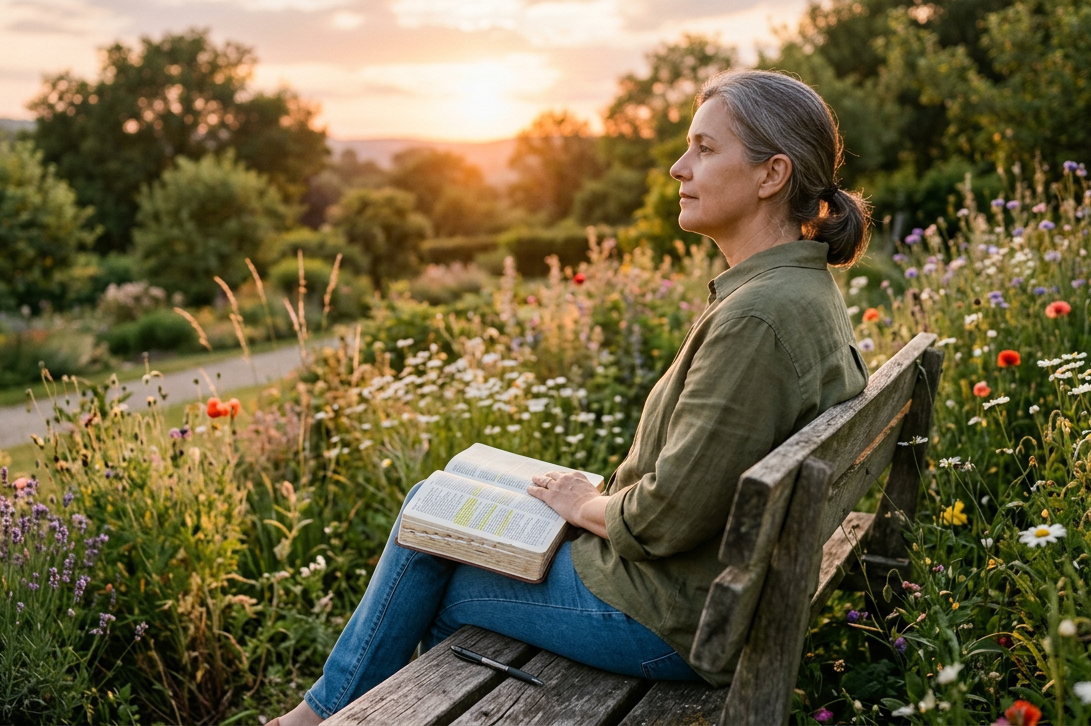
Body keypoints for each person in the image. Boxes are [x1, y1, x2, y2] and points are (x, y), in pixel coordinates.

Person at [274, 69, 871, 725]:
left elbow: (661, 521)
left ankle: (316, 720)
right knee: (447, 494)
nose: (679, 167)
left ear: (771, 174)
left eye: (704, 148)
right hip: (705, 591)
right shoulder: (796, 292)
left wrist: (584, 504)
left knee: (433, 545)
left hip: (670, 618)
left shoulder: (756, 320)